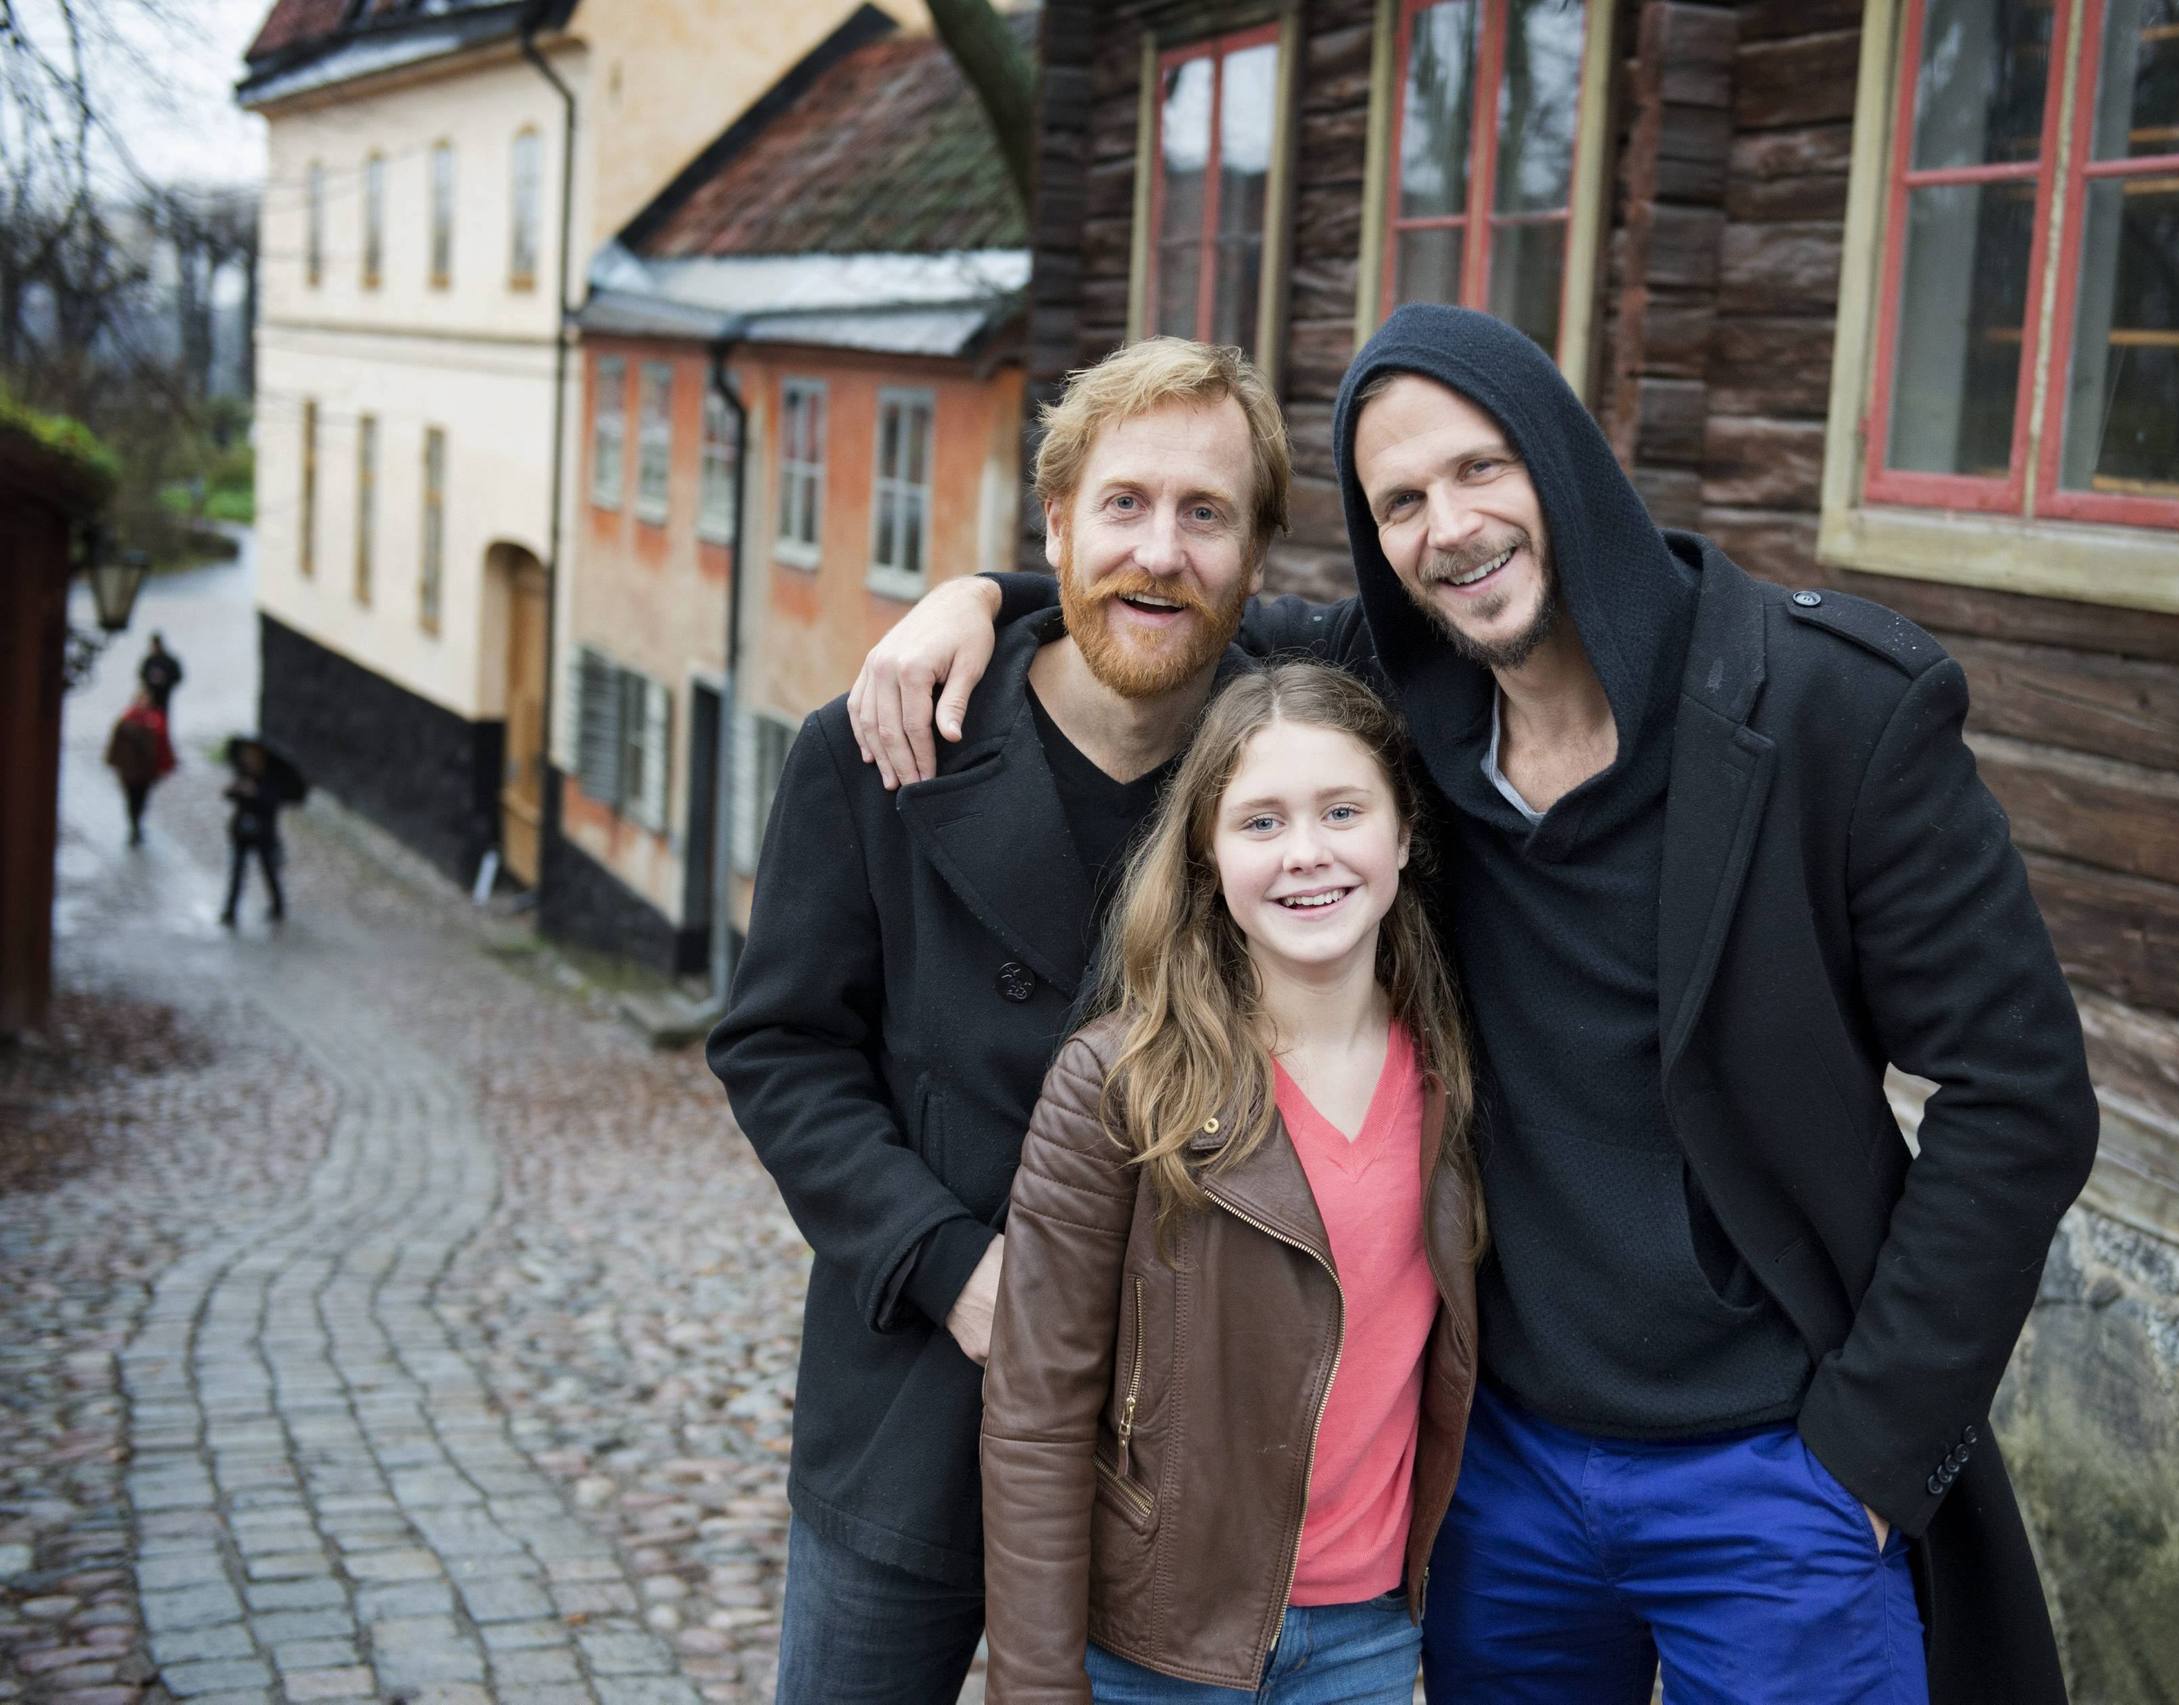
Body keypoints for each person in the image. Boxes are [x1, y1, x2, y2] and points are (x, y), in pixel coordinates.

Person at [844, 304, 2103, 1703]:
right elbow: (1174, 603)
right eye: (1400, 502)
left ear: (1564, 460)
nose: (1448, 525)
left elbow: (2023, 1097)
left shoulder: (1825, 714)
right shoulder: (1408, 715)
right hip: (1504, 1476)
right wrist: (980, 595)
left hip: (1772, 1464)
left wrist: (1874, 1449)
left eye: (1481, 468)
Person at [704, 338, 1293, 1705]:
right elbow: (779, 1049)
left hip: (1180, 1440)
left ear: (1256, 552)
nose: (1160, 551)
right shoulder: (880, 747)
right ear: (1057, 524)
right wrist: (954, 1269)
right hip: (918, 1397)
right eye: (1125, 505)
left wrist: (984, 589)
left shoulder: (1289, 769)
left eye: (1207, 514)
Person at [981, 661, 1481, 1703]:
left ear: (1402, 838)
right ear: (1207, 855)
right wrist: (1035, 1681)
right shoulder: (1118, 1083)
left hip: (1370, 1639)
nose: (1306, 853)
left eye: (1342, 810)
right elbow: (1035, 1412)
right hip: (1157, 1648)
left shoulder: (1457, 1070)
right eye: (1259, 821)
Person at [220, 738, 288, 927]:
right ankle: (230, 910)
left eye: (252, 756)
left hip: (263, 834)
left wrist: (256, 794)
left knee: (268, 871)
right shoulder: (243, 775)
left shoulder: (271, 779)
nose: (249, 760)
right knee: (237, 872)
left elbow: (272, 805)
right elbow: (230, 796)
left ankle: (278, 905)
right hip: (241, 833)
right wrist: (235, 791)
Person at [105, 690, 177, 846]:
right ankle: (134, 826)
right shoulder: (126, 720)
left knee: (142, 798)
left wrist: (165, 765)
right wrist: (115, 762)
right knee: (132, 799)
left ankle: (137, 824)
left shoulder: (156, 720)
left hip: (147, 770)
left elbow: (163, 745)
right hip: (130, 769)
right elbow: (116, 745)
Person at [139, 632, 184, 716]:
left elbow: (178, 676)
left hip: (164, 694)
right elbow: (142, 675)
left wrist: (166, 683)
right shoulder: (149, 661)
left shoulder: (168, 660)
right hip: (151, 695)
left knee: (163, 715)